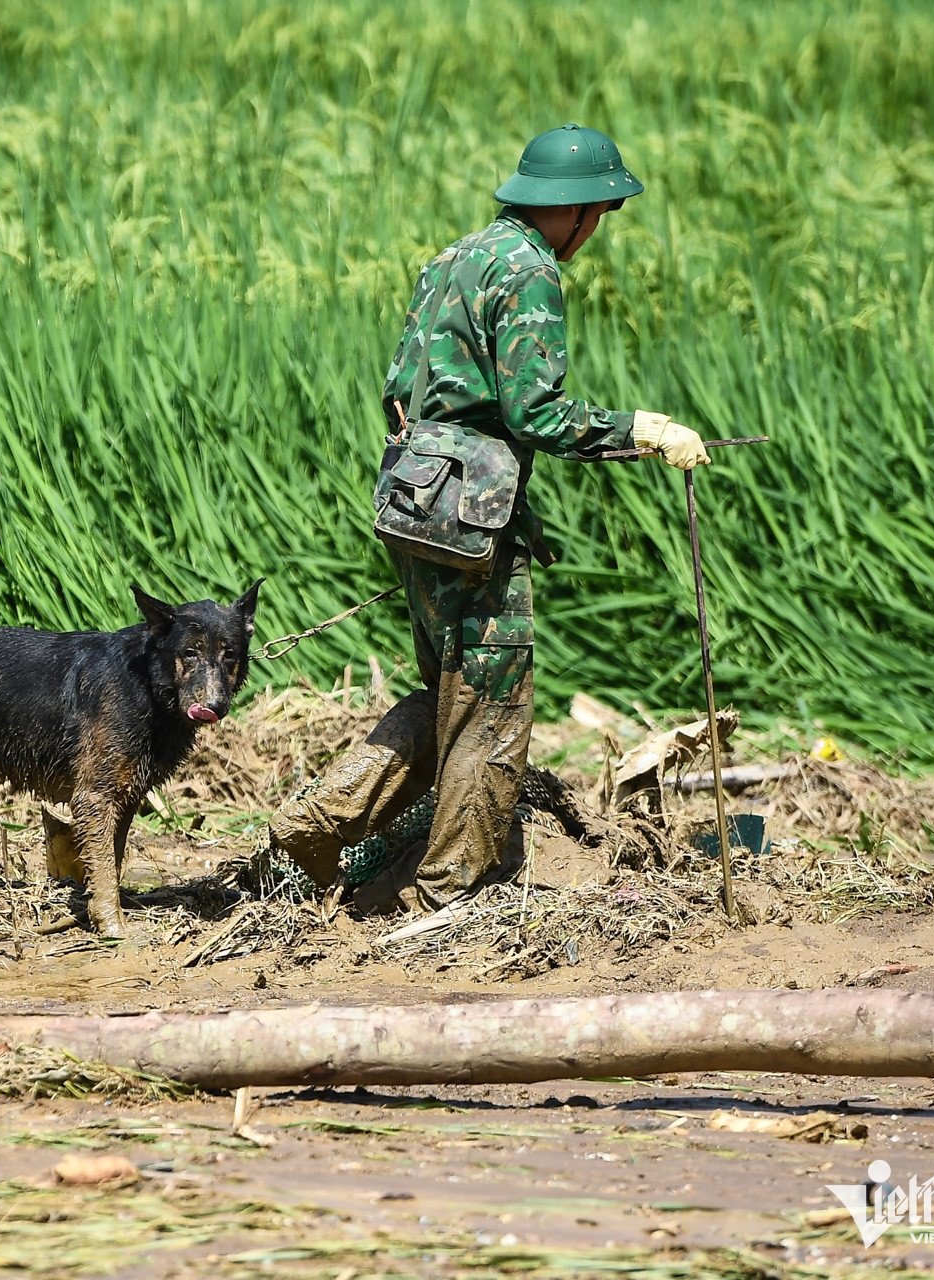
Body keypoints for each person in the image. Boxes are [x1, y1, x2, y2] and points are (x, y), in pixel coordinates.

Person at [267, 124, 709, 914]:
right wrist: (637, 429)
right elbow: (536, 413)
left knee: (453, 687)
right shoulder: (531, 270)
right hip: (471, 518)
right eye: (601, 211)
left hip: (412, 500)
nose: (599, 227)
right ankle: (447, 896)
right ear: (574, 210)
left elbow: (399, 392)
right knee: (494, 699)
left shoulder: (453, 259)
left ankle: (316, 824)